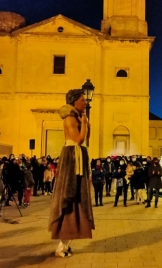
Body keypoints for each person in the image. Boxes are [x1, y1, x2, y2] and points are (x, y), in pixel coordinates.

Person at [49, 89, 94, 258]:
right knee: (70, 197)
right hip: (72, 158)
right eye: (82, 100)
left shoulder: (77, 117)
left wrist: (85, 124)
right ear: (74, 101)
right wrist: (83, 123)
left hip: (78, 156)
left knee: (77, 201)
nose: (85, 102)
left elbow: (85, 137)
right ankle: (61, 247)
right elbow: (78, 139)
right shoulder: (69, 117)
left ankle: (66, 245)